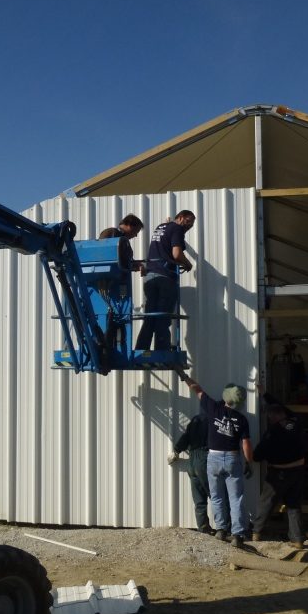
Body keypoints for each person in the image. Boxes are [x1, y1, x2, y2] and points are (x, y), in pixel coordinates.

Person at [177, 371, 252, 549]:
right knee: (236, 499)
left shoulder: (213, 409)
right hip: (233, 458)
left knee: (217, 497)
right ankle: (237, 534)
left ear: (226, 397)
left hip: (214, 457)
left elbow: (197, 390)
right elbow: (246, 444)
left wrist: (185, 377)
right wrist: (249, 462)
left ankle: (220, 530)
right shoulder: (242, 419)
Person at [134, 210, 195, 351]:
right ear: (179, 218)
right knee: (163, 315)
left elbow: (165, 242)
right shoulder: (177, 229)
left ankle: (141, 349)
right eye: (188, 221)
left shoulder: (161, 227)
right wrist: (187, 264)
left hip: (150, 276)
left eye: (191, 224)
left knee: (150, 316)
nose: (189, 226)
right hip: (165, 277)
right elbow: (177, 254)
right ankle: (162, 349)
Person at [251, 395, 306, 548]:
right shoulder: (297, 423)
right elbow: (285, 408)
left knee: (266, 502)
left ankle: (256, 533)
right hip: (298, 470)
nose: (268, 419)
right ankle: (297, 539)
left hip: (279, 472)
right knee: (294, 505)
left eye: (270, 415)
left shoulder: (272, 433)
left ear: (275, 415)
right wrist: (267, 396)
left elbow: (257, 456)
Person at [168, 412, 212, 534]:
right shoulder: (214, 419)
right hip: (204, 458)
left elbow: (185, 437)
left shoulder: (195, 420)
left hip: (191, 461)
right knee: (216, 495)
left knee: (199, 498)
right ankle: (226, 528)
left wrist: (176, 451)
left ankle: (203, 527)